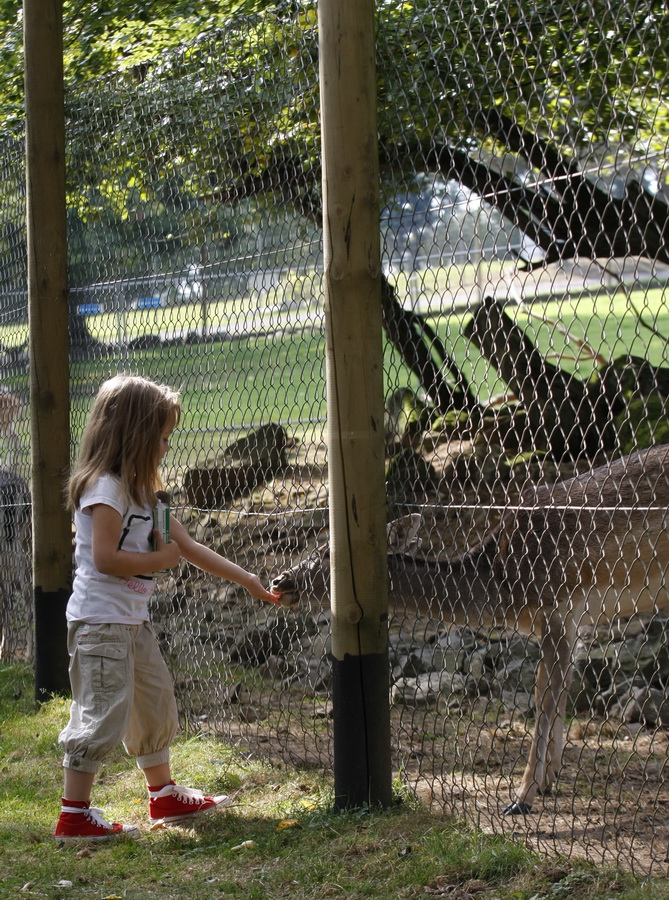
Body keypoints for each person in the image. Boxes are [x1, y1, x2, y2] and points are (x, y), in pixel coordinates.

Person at [55, 374, 281, 842]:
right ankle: (73, 813)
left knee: (153, 704)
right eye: (161, 439)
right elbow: (105, 558)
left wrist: (249, 581)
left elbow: (188, 546)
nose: (165, 448)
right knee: (102, 712)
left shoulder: (145, 495)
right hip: (100, 623)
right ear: (133, 436)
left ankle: (163, 794)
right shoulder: (106, 490)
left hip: (130, 624)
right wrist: (159, 561)